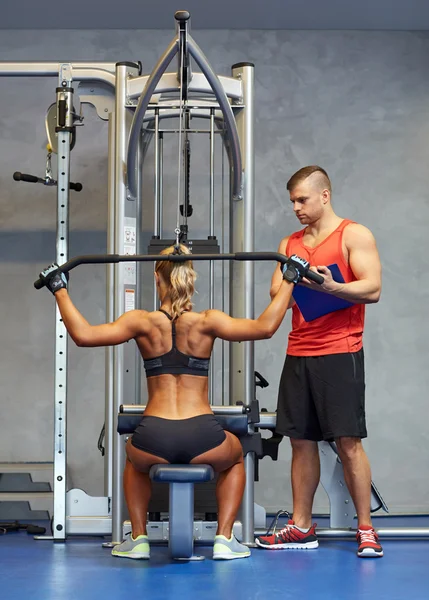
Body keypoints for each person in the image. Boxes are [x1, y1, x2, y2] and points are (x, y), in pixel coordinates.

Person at [39, 244, 311, 561]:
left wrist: (59, 290)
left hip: (154, 434)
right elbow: (265, 327)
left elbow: (83, 335)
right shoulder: (208, 321)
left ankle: (138, 538)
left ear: (158, 277)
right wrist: (290, 278)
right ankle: (224, 538)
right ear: (190, 279)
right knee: (236, 455)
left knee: (134, 459)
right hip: (203, 435)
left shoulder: (140, 321)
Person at [255, 166, 383, 558]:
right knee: (301, 441)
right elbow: (278, 292)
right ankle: (302, 526)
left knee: (348, 443)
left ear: (324, 196)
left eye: (302, 200)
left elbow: (372, 287)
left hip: (341, 350)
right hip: (299, 352)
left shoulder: (353, 234)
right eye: (292, 200)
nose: (296, 207)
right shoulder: (289, 242)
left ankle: (366, 529)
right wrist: (299, 280)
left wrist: (331, 285)